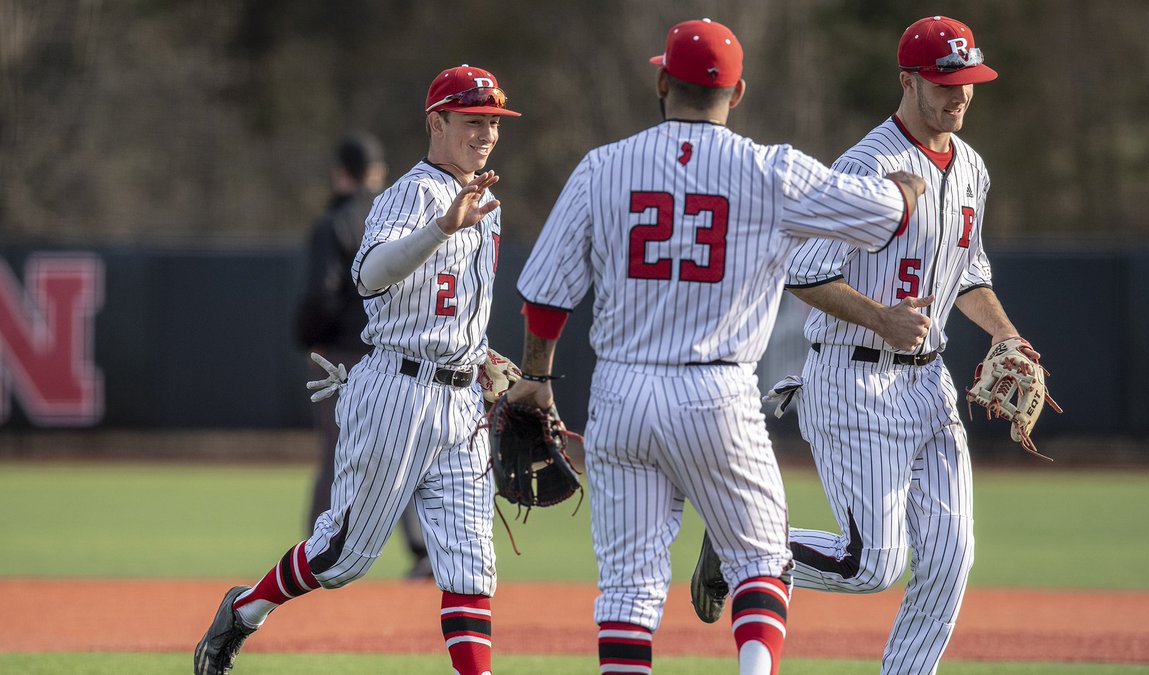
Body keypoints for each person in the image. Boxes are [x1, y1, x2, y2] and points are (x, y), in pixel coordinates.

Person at [504, 18, 925, 675]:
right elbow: (884, 215)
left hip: (621, 392)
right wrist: (904, 192)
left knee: (628, 586)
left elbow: (547, 295)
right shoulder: (770, 169)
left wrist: (538, 377)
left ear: (662, 81)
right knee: (760, 558)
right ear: (740, 92)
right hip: (716, 391)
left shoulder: (603, 167)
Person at [690, 15, 1028, 675]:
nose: (958, 94)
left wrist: (1006, 332)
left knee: (951, 557)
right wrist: (881, 319)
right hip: (853, 379)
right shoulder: (871, 165)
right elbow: (805, 270)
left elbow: (972, 272)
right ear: (907, 80)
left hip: (928, 385)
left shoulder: (973, 169)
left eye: (968, 81)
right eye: (943, 81)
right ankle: (748, 546)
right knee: (871, 564)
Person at [195, 64, 520, 675]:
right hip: (398, 390)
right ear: (437, 122)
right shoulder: (409, 195)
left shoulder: (487, 201)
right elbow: (368, 275)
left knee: (472, 567)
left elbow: (457, 301)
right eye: (473, 120)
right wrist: (441, 227)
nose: (487, 134)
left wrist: (478, 355)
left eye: (494, 122)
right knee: (341, 554)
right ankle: (244, 611)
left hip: (460, 403)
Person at [293, 132, 433, 580]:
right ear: (380, 171)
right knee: (407, 447)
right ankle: (423, 550)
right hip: (400, 353)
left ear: (340, 173)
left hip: (345, 358)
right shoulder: (403, 212)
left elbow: (322, 294)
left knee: (339, 452)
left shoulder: (334, 222)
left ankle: (310, 555)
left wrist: (311, 337)